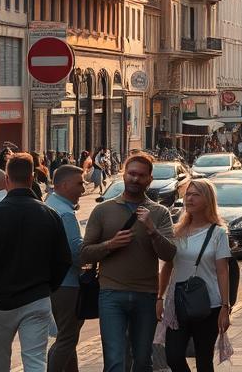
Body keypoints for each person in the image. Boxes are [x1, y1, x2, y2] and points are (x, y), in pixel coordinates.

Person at [0, 153, 72, 372]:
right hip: (36, 297)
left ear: (7, 179)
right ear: (32, 177)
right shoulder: (50, 214)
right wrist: (47, 286)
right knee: (35, 360)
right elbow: (63, 260)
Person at [81, 154, 178, 372]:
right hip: (111, 293)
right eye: (132, 174)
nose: (135, 179)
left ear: (149, 180)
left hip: (146, 295)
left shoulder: (159, 213)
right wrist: (110, 245)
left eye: (141, 176)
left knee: (143, 361)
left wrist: (152, 231)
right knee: (115, 361)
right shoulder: (103, 210)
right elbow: (84, 254)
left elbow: (169, 254)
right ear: (124, 175)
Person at [157, 179, 232, 372]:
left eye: (195, 194)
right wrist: (159, 297)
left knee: (203, 360)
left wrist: (225, 306)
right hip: (177, 302)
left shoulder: (218, 233)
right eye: (187, 194)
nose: (189, 198)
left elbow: (223, 270)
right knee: (173, 357)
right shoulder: (176, 232)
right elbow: (167, 266)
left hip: (208, 304)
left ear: (207, 200)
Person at [46, 165, 86, 372]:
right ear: (64, 185)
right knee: (66, 339)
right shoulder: (65, 214)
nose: (84, 188)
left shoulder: (48, 204)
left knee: (67, 338)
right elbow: (76, 253)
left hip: (52, 282)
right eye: (79, 183)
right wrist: (102, 249)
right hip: (67, 284)